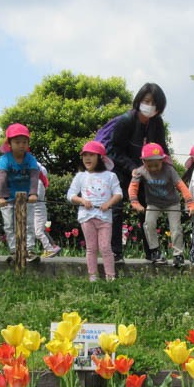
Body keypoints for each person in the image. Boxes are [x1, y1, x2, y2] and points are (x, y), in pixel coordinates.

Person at [107, 83, 170, 262]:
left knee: (147, 210)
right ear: (139, 100)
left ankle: (152, 252)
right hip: (122, 171)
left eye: (154, 103)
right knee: (116, 209)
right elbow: (113, 150)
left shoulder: (157, 123)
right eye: (146, 101)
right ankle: (115, 252)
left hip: (146, 172)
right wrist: (131, 168)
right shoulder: (126, 120)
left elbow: (161, 148)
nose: (150, 106)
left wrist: (166, 169)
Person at [128, 143, 194, 266]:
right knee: (148, 224)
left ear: (162, 160)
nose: (154, 168)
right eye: (150, 165)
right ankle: (155, 251)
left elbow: (181, 186)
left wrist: (191, 203)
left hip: (172, 202)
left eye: (156, 164)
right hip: (153, 203)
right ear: (143, 162)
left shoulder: (169, 170)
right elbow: (133, 187)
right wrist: (135, 203)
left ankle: (178, 254)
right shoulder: (140, 171)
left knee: (175, 228)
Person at [67, 141, 122, 282]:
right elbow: (70, 195)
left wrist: (108, 203)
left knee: (105, 247)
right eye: (84, 155)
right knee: (91, 248)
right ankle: (93, 276)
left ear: (101, 158)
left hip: (104, 218)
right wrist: (82, 201)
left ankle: (111, 276)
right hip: (86, 217)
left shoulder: (110, 176)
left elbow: (118, 194)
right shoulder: (80, 176)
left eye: (91, 155)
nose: (87, 158)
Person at [0, 123, 41, 263]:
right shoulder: (5, 159)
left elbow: (34, 176)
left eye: (24, 142)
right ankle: (13, 250)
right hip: (9, 197)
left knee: (28, 223)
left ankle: (30, 250)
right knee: (9, 224)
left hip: (27, 196)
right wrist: (1, 196)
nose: (21, 145)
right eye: (17, 142)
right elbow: (2, 178)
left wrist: (33, 193)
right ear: (9, 143)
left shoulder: (30, 159)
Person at [34, 163, 61, 258]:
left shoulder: (38, 183)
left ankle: (50, 249)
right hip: (35, 210)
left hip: (39, 211)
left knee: (38, 232)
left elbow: (35, 197)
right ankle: (53, 247)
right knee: (42, 231)